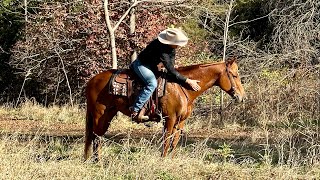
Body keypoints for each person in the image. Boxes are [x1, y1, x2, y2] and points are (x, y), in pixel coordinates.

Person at [129, 27, 201, 121]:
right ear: (170, 42)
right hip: (141, 65)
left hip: (152, 66)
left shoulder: (171, 48)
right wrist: (187, 80)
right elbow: (170, 69)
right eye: (177, 43)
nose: (178, 45)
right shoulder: (162, 48)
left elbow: (171, 66)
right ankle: (135, 109)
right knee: (152, 84)